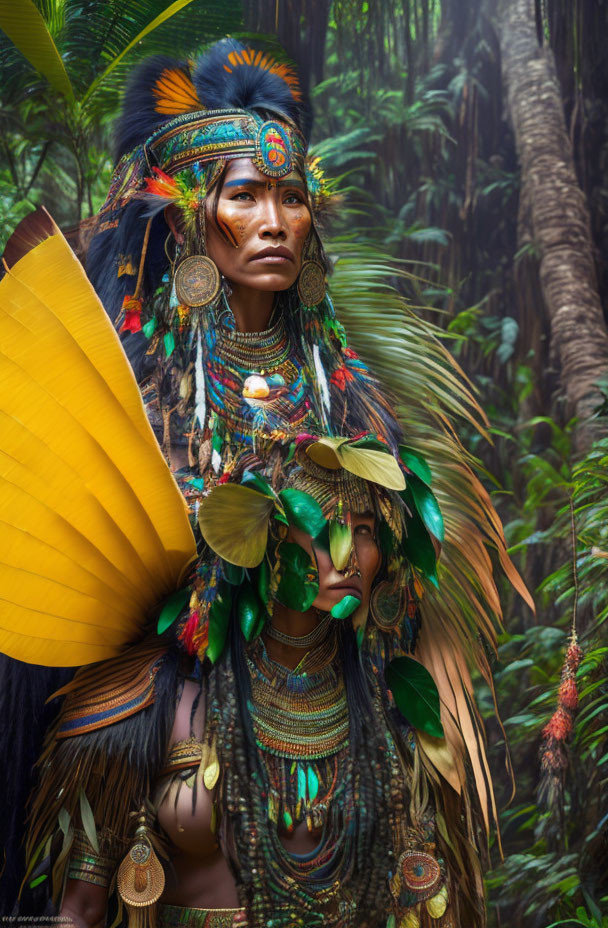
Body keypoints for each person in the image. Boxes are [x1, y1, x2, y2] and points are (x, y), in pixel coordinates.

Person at [0, 36, 526, 928]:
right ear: (191, 219)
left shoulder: (350, 394)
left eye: (290, 197)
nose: (275, 221)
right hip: (176, 698)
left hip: (330, 671)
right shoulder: (137, 385)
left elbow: (395, 559)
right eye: (244, 196)